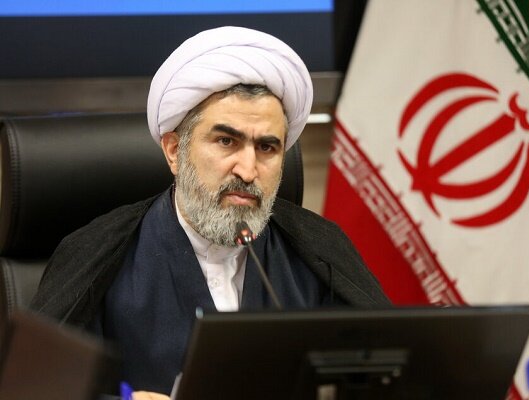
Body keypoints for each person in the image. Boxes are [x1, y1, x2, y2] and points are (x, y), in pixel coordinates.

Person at [31, 26, 389, 395]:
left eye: (267, 148)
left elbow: (387, 374)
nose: (247, 170)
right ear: (174, 151)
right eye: (226, 141)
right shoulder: (98, 255)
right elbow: (33, 384)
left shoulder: (319, 253)